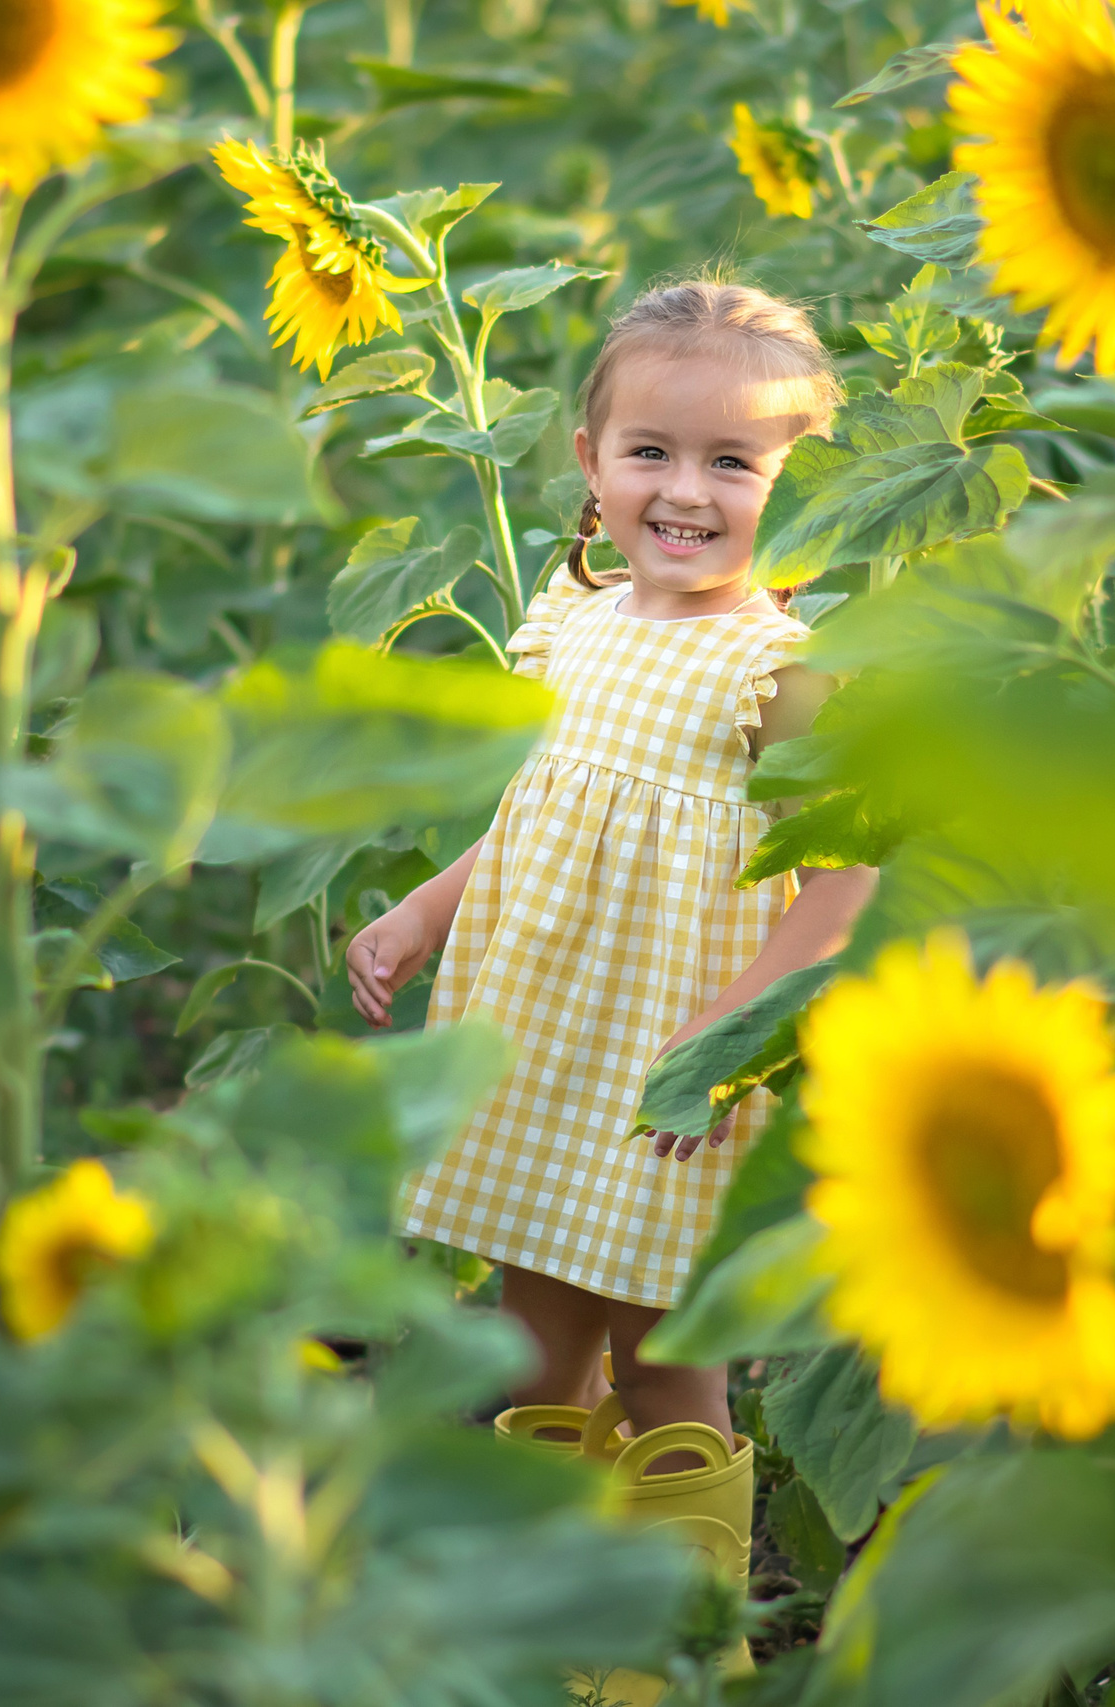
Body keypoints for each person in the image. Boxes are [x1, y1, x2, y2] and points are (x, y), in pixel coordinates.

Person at [346, 280, 877, 1612]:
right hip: (546, 1052)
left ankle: (678, 1645)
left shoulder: (780, 671)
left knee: (662, 1360)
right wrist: (425, 912)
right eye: (652, 451)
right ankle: (553, 1620)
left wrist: (727, 1040)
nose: (685, 491)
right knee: (534, 1355)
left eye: (734, 463)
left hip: (671, 1077)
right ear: (591, 463)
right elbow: (539, 818)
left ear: (802, 491)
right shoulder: (575, 625)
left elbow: (841, 890)